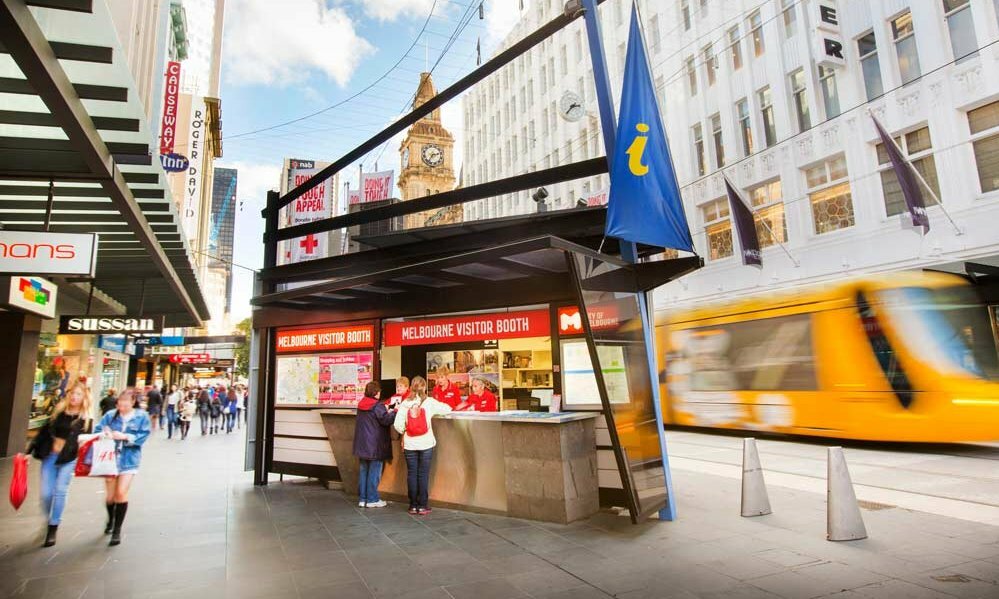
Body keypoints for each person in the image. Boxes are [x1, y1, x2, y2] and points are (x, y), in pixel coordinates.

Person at [28, 380, 93, 547]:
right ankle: (47, 519)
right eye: (73, 393)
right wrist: (28, 452)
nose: (74, 397)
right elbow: (43, 433)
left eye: (79, 394)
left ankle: (53, 527)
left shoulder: (85, 420)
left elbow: (87, 442)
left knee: (60, 492)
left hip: (68, 460)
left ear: (83, 398)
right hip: (50, 457)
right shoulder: (58, 412)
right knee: (46, 494)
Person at [94, 389, 151, 546]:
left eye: (126, 403)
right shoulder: (110, 415)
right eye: (120, 403)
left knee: (121, 492)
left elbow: (144, 435)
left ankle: (117, 531)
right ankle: (110, 520)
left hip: (129, 459)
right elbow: (97, 430)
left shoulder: (141, 417)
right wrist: (105, 432)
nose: (122, 406)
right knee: (111, 496)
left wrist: (126, 437)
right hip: (110, 458)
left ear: (133, 402)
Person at [393, 376, 452, 515]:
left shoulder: (405, 403)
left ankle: (413, 505)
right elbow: (447, 408)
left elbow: (397, 425)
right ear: (424, 387)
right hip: (426, 443)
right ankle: (423, 505)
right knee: (423, 474)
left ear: (411, 388)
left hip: (410, 444)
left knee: (412, 473)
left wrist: (406, 431)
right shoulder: (429, 402)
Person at [353, 382, 396, 509]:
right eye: (379, 391)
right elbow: (386, 420)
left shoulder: (361, 404)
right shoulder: (377, 406)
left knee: (364, 471)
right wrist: (395, 412)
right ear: (376, 392)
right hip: (375, 445)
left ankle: (363, 499)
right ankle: (372, 499)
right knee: (374, 472)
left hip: (362, 445)